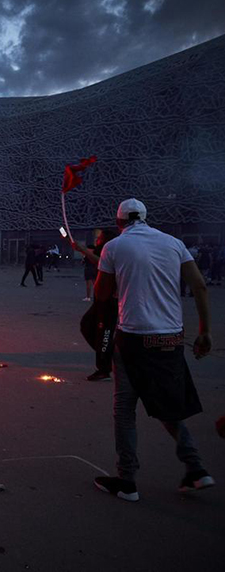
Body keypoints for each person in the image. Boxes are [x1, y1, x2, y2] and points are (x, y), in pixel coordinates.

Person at [93, 198, 214, 502]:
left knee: (124, 411)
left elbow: (102, 294)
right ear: (146, 218)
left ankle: (127, 480)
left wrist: (110, 273)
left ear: (119, 222)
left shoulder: (114, 247)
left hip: (134, 339)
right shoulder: (173, 243)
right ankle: (196, 468)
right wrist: (205, 332)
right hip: (170, 339)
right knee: (168, 407)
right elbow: (199, 285)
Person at [73, 229, 118, 381]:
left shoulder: (112, 251)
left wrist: (83, 249)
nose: (97, 239)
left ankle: (105, 368)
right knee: (87, 325)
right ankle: (110, 357)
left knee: (104, 334)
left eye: (100, 237)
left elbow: (100, 261)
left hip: (110, 300)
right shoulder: (103, 250)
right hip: (100, 299)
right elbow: (93, 255)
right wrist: (77, 246)